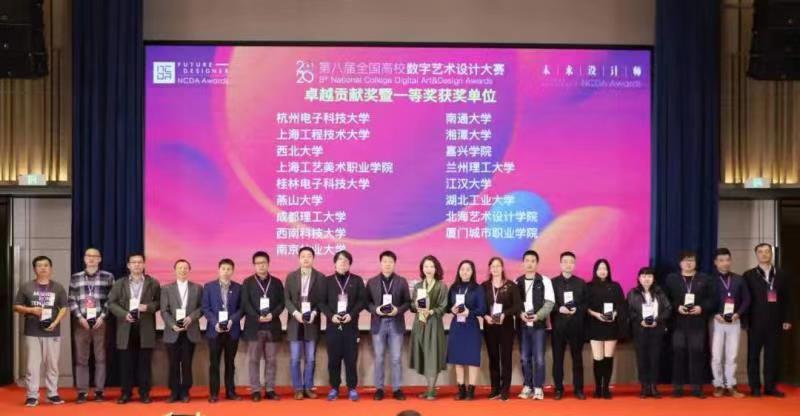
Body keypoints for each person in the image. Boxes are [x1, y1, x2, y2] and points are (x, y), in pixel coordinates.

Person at [13, 255, 68, 407]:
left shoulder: (58, 287)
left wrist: (55, 322)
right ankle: (32, 395)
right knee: (32, 366)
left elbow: (64, 307)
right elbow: (16, 306)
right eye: (39, 265)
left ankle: (52, 394)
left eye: (46, 265)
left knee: (52, 365)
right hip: (32, 331)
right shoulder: (26, 287)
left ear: (50, 268)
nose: (43, 268)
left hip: (52, 331)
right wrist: (31, 310)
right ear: (34, 269)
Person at [107, 253, 160, 404]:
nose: (137, 265)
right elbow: (111, 303)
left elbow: (159, 303)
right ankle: (126, 393)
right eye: (134, 262)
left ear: (144, 265)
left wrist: (147, 307)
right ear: (128, 265)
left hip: (145, 327)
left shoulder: (153, 283)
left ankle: (145, 393)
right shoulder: (120, 283)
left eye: (140, 262)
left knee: (144, 363)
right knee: (126, 363)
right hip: (126, 327)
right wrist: (124, 314)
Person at [743, 243, 793, 397]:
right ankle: (755, 387)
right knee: (753, 356)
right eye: (760, 252)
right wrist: (745, 321)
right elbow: (745, 299)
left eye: (767, 252)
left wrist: (787, 319)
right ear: (756, 255)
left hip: (775, 322)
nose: (764, 254)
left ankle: (770, 387)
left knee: (772, 355)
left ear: (771, 254)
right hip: (755, 322)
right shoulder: (748, 275)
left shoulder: (782, 275)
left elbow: (788, 299)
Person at [664, 251, 715, 398]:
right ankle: (678, 388)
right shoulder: (672, 278)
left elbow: (712, 299)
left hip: (697, 323)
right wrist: (676, 307)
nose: (688, 263)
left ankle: (697, 388)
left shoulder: (705, 279)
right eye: (685, 260)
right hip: (678, 323)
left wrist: (701, 308)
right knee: (678, 354)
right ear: (680, 263)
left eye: (691, 260)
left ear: (696, 263)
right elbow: (665, 299)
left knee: (697, 354)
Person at [68, 248, 114, 403]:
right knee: (81, 359)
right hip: (81, 323)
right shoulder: (76, 277)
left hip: (101, 322)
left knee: (101, 358)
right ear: (84, 259)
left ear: (100, 259)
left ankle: (99, 391)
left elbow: (111, 300)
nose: (92, 258)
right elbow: (71, 300)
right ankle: (82, 391)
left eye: (95, 256)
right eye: (89, 256)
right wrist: (79, 317)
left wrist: (103, 316)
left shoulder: (108, 277)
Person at [319, 250, 367, 401]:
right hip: (333, 327)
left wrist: (351, 315)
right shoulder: (327, 281)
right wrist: (331, 316)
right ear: (335, 263)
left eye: (346, 260)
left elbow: (362, 301)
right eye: (340, 260)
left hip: (351, 327)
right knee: (333, 360)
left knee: (351, 360)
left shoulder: (357, 280)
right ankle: (334, 388)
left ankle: (352, 388)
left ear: (349, 264)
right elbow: (321, 302)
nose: (342, 262)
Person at [366, 250, 411, 401]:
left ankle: (397, 389)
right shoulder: (372, 282)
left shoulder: (401, 281)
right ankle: (379, 389)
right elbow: (366, 302)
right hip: (378, 323)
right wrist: (376, 310)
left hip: (395, 322)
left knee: (396, 358)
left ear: (394, 264)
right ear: (380, 263)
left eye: (390, 262)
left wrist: (398, 310)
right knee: (379, 358)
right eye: (385, 261)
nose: (387, 264)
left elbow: (408, 302)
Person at [241, 251, 285, 401]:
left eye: (263, 263)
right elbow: (245, 303)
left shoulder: (277, 282)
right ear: (254, 265)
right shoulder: (247, 282)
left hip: (272, 327)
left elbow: (282, 303)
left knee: (271, 360)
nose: (261, 266)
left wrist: (273, 314)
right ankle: (255, 390)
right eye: (258, 263)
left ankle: (270, 389)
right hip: (254, 327)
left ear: (268, 264)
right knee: (253, 360)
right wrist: (257, 316)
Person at [284, 246, 326, 400]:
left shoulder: (320, 277)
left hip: (312, 322)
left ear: (313, 258)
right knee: (295, 358)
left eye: (309, 256)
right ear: (299, 259)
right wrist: (295, 313)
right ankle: (297, 389)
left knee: (311, 358)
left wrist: (314, 313)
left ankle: (308, 387)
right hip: (295, 322)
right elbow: (286, 299)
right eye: (303, 256)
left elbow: (322, 300)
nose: (306, 259)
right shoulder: (291, 276)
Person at [160, 259, 203, 403]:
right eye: (180, 268)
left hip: (190, 331)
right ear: (175, 270)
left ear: (189, 270)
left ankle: (185, 391)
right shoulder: (166, 288)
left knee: (186, 363)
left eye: (185, 268)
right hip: (172, 331)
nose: (183, 270)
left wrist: (191, 317)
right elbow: (164, 311)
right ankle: (174, 392)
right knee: (173, 363)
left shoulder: (197, 288)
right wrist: (172, 325)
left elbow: (202, 308)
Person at [202, 258, 243, 403]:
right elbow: (205, 308)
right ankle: (214, 393)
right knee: (214, 363)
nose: (226, 272)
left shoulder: (238, 288)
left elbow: (241, 309)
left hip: (232, 331)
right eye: (223, 269)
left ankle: (230, 392)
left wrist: (232, 320)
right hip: (215, 331)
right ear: (218, 270)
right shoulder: (209, 287)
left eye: (229, 269)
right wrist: (215, 323)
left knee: (230, 363)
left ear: (233, 271)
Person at [627, 267, 671, 399]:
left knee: (655, 358)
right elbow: (629, 311)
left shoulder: (659, 292)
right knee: (642, 359)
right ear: (639, 278)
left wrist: (658, 320)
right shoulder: (633, 293)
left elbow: (668, 309)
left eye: (649, 276)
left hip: (656, 330)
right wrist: (640, 320)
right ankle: (644, 387)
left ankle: (653, 386)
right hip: (640, 330)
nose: (646, 279)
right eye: (644, 276)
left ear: (653, 279)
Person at [515, 250, 554, 400]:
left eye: (533, 261)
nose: (530, 263)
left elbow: (549, 303)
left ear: (537, 263)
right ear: (523, 263)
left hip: (539, 326)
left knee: (539, 358)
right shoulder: (517, 281)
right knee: (524, 357)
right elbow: (515, 304)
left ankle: (538, 387)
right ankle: (527, 386)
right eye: (527, 260)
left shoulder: (544, 281)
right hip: (523, 325)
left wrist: (538, 316)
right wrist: (520, 314)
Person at [710, 248, 750, 398]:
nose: (725, 263)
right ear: (715, 262)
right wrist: (715, 314)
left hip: (734, 321)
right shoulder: (709, 280)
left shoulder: (739, 279)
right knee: (716, 355)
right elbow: (706, 300)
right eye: (721, 260)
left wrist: (738, 314)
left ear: (731, 261)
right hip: (717, 321)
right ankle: (719, 385)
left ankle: (731, 385)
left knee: (732, 355)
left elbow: (747, 299)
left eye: (727, 260)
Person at [481, 256, 521, 401]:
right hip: (489, 326)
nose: (495, 269)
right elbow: (480, 306)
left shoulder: (511, 286)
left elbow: (518, 306)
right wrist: (485, 316)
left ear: (502, 268)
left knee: (506, 358)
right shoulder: (484, 286)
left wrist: (505, 314)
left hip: (506, 327)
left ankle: (505, 390)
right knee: (493, 358)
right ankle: (495, 389)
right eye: (493, 266)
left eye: (498, 266)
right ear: (490, 269)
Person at [409, 255, 449, 400]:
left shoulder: (441, 286)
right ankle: (429, 388)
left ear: (436, 268)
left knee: (433, 355)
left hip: (434, 324)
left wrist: (431, 311)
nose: (429, 269)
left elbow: (444, 306)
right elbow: (412, 305)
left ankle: (431, 390)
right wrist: (416, 306)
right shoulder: (418, 286)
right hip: (419, 323)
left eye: (432, 266)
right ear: (422, 269)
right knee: (424, 356)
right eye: (426, 266)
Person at [446, 260, 487, 401]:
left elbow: (482, 309)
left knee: (472, 358)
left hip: (471, 326)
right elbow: (447, 307)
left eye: (468, 269)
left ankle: (471, 390)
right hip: (457, 326)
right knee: (458, 358)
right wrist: (452, 309)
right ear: (458, 271)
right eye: (462, 269)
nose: (465, 272)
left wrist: (469, 313)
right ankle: (461, 390)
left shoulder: (478, 288)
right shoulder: (453, 287)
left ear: (472, 272)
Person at [586, 259, 626, 399]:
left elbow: (621, 304)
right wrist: (597, 315)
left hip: (611, 325)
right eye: (600, 268)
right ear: (595, 271)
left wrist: (614, 314)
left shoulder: (615, 286)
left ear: (608, 271)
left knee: (608, 358)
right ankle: (598, 388)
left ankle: (606, 388)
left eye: (605, 268)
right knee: (598, 359)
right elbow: (585, 307)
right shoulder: (589, 286)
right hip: (595, 325)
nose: (602, 271)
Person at [551, 251, 587, 400]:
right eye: (565, 261)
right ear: (560, 264)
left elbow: (586, 304)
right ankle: (558, 389)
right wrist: (559, 308)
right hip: (558, 327)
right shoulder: (552, 283)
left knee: (577, 359)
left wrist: (577, 309)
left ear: (574, 264)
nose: (568, 264)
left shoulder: (581, 283)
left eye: (571, 262)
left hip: (576, 327)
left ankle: (579, 389)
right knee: (557, 360)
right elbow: (548, 303)